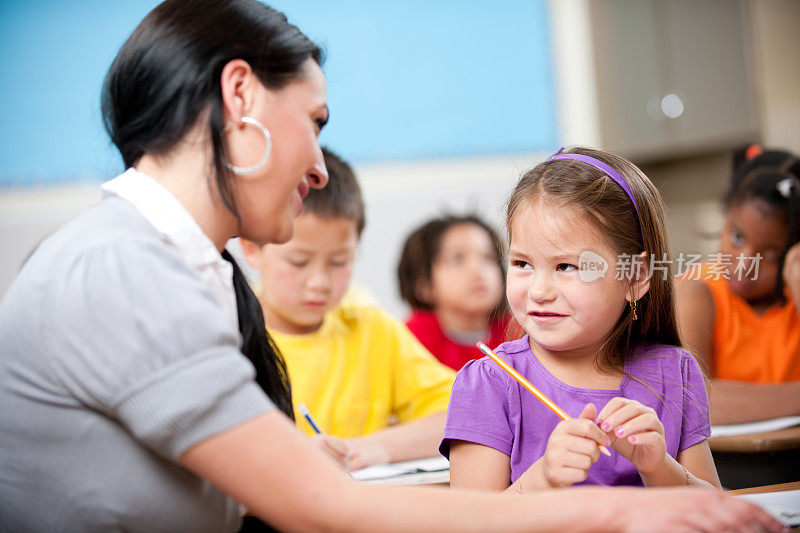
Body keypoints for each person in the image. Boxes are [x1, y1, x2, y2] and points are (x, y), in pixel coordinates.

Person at [0, 2, 784, 531]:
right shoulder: (123, 272)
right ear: (239, 97)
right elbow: (326, 508)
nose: (318, 166)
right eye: (316, 123)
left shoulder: (172, 264)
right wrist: (617, 510)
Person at [443, 147, 722, 493]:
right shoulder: (487, 385)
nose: (539, 290)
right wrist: (543, 478)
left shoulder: (674, 374)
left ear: (635, 277)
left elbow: (716, 511)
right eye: (522, 264)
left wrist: (658, 466)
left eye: (566, 267)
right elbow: (471, 524)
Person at [240, 147, 455, 470]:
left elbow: (466, 414)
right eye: (299, 262)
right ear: (251, 248)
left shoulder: (373, 332)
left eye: (339, 262)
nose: (320, 282)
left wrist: (373, 447)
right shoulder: (231, 335)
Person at [677, 144, 800, 424]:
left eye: (770, 255)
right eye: (737, 238)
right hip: (725, 466)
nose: (745, 264)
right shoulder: (697, 292)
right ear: (726, 219)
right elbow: (692, 400)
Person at [398, 214, 510, 370]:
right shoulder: (410, 341)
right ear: (423, 285)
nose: (478, 269)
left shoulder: (520, 332)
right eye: (458, 260)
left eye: (488, 257)